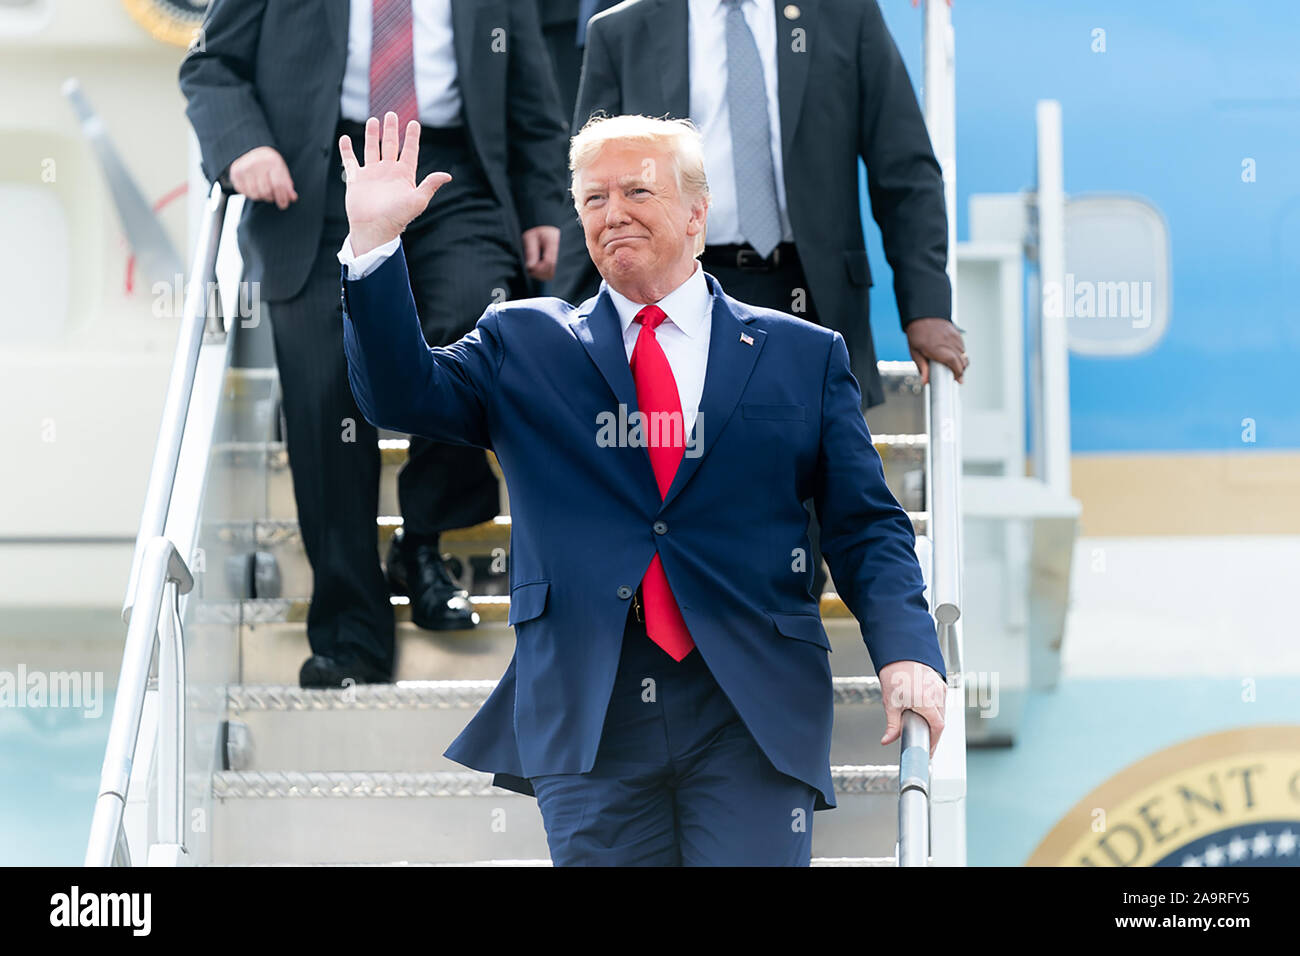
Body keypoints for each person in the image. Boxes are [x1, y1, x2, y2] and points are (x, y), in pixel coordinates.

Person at [336, 111, 948, 865]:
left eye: (636, 191)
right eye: (593, 199)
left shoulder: (801, 353)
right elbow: (399, 394)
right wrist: (374, 246)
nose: (613, 213)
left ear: (697, 213)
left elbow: (865, 526)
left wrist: (907, 651)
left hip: (751, 703)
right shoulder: (523, 342)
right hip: (589, 707)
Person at [179, 0, 570, 688]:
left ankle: (422, 543)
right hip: (318, 175)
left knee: (477, 327)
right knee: (326, 391)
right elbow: (211, 66)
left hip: (452, 174)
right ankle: (351, 632)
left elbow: (531, 95)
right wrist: (244, 145)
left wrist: (543, 206)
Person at [552, 0, 969, 600]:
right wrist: (570, 322)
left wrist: (925, 304)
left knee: (801, 530)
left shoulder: (844, 17)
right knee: (682, 513)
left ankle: (781, 645)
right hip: (677, 296)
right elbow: (591, 187)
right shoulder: (623, 30)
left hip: (810, 299)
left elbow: (903, 166)